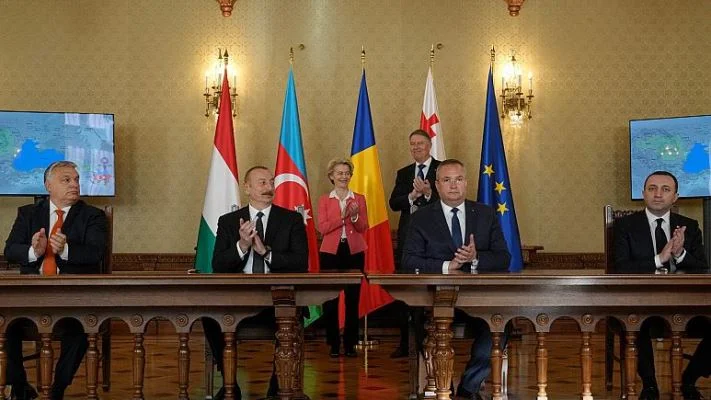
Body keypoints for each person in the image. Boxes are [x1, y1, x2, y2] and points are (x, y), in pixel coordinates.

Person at [402, 159, 510, 400]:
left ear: (466, 183)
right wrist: (446, 266)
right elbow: (409, 260)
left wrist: (475, 258)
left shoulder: (485, 214)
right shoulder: (421, 218)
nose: (453, 185)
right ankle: (443, 385)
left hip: (479, 302)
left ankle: (469, 387)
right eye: (447, 180)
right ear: (437, 185)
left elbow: (504, 258)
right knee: (422, 323)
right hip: (433, 301)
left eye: (458, 179)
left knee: (501, 326)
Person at [4, 161, 108, 400]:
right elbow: (10, 250)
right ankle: (20, 387)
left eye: (76, 179)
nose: (74, 184)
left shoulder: (93, 216)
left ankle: (56, 391)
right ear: (48, 185)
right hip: (31, 297)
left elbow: (95, 254)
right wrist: (34, 252)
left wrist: (65, 250)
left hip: (73, 299)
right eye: (66, 180)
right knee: (4, 324)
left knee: (83, 330)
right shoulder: (28, 213)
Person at [202, 165, 308, 400]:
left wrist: (266, 253)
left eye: (271, 182)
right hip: (237, 301)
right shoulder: (229, 221)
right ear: (247, 187)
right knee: (209, 319)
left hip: (276, 300)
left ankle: (278, 385)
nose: (269, 187)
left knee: (293, 319)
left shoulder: (291, 219)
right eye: (262, 182)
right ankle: (230, 385)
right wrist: (242, 246)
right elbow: (218, 264)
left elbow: (300, 263)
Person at [613, 170, 709, 400]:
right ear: (643, 193)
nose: (658, 194)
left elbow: (702, 268)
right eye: (652, 188)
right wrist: (659, 259)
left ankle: (689, 380)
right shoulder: (625, 225)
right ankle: (649, 386)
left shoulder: (689, 226)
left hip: (684, 307)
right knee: (634, 324)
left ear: (675, 197)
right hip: (639, 305)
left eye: (665, 189)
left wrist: (680, 253)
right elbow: (620, 267)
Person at [388, 129, 441, 358]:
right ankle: (405, 342)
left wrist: (428, 193)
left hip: (434, 240)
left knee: (432, 292)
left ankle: (432, 341)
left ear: (429, 146)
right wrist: (411, 195)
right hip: (409, 240)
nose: (416, 147)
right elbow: (393, 203)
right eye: (412, 144)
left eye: (420, 143)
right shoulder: (404, 173)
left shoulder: (442, 169)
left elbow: (450, 199)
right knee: (406, 291)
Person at [316, 158, 368, 358]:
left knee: (353, 300)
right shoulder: (324, 200)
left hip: (354, 253)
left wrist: (354, 217)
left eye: (347, 173)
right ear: (331, 176)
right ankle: (333, 344)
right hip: (330, 253)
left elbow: (363, 227)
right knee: (330, 300)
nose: (343, 176)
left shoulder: (359, 198)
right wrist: (343, 216)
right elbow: (323, 228)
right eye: (339, 173)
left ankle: (350, 344)